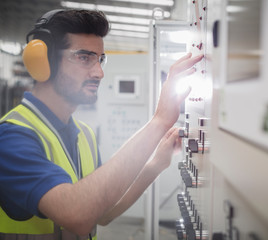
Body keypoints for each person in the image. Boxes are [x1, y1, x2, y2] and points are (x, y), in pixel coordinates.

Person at [0, 9, 203, 240]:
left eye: (100, 59)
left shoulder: (83, 134)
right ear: (44, 61)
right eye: (84, 58)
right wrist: (159, 122)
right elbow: (76, 215)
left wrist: (156, 163)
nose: (99, 73)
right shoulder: (11, 138)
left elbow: (102, 212)